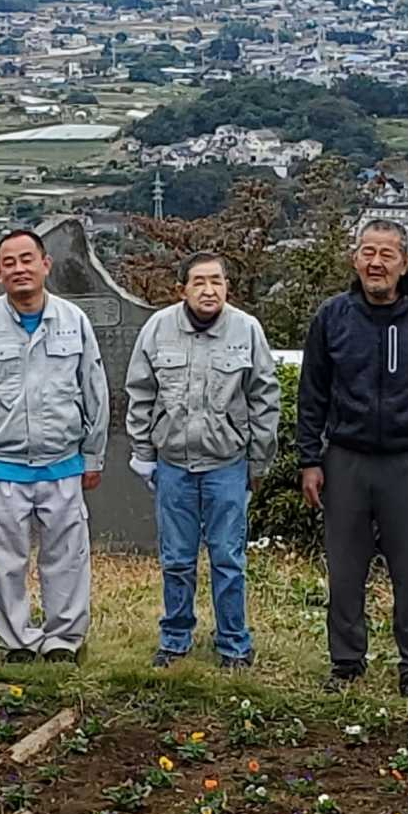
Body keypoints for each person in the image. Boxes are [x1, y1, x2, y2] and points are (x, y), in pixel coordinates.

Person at [297, 219, 408, 696]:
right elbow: (312, 394)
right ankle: (346, 662)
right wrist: (310, 459)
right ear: (354, 259)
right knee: (345, 570)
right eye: (368, 252)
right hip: (346, 456)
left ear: (405, 263)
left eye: (387, 254)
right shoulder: (333, 316)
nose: (376, 263)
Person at [0, 229, 110, 664]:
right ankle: (17, 641)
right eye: (9, 262)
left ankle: (63, 639)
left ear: (46, 265)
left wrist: (93, 454)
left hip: (63, 461)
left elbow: (94, 390)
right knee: (6, 560)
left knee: (67, 557)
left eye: (28, 259)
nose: (19, 269)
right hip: (2, 464)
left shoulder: (74, 321)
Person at [124, 252, 281, 671]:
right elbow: (140, 392)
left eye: (217, 281)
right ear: (182, 289)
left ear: (227, 287)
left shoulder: (246, 330)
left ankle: (234, 644)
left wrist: (259, 462)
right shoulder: (158, 329)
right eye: (199, 282)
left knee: (228, 559)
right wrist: (143, 453)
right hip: (173, 464)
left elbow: (265, 399)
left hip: (227, 464)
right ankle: (175, 640)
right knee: (176, 559)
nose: (209, 290)